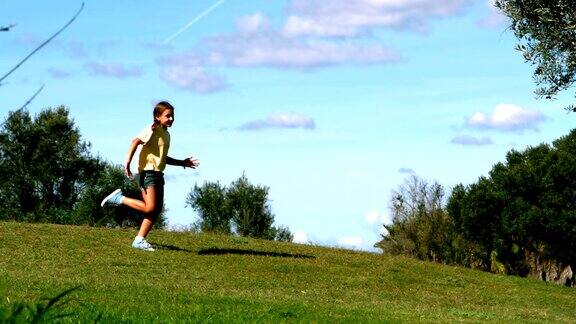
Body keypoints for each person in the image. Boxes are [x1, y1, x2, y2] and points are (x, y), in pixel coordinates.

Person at [101, 101, 199, 251]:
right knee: (150, 208)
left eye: (173, 116)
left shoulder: (166, 134)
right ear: (157, 116)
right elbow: (135, 141)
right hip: (148, 173)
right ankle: (119, 199)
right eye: (168, 116)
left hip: (157, 173)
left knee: (156, 209)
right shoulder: (151, 129)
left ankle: (139, 240)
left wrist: (182, 162)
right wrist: (127, 163)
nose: (171, 119)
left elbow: (162, 157)